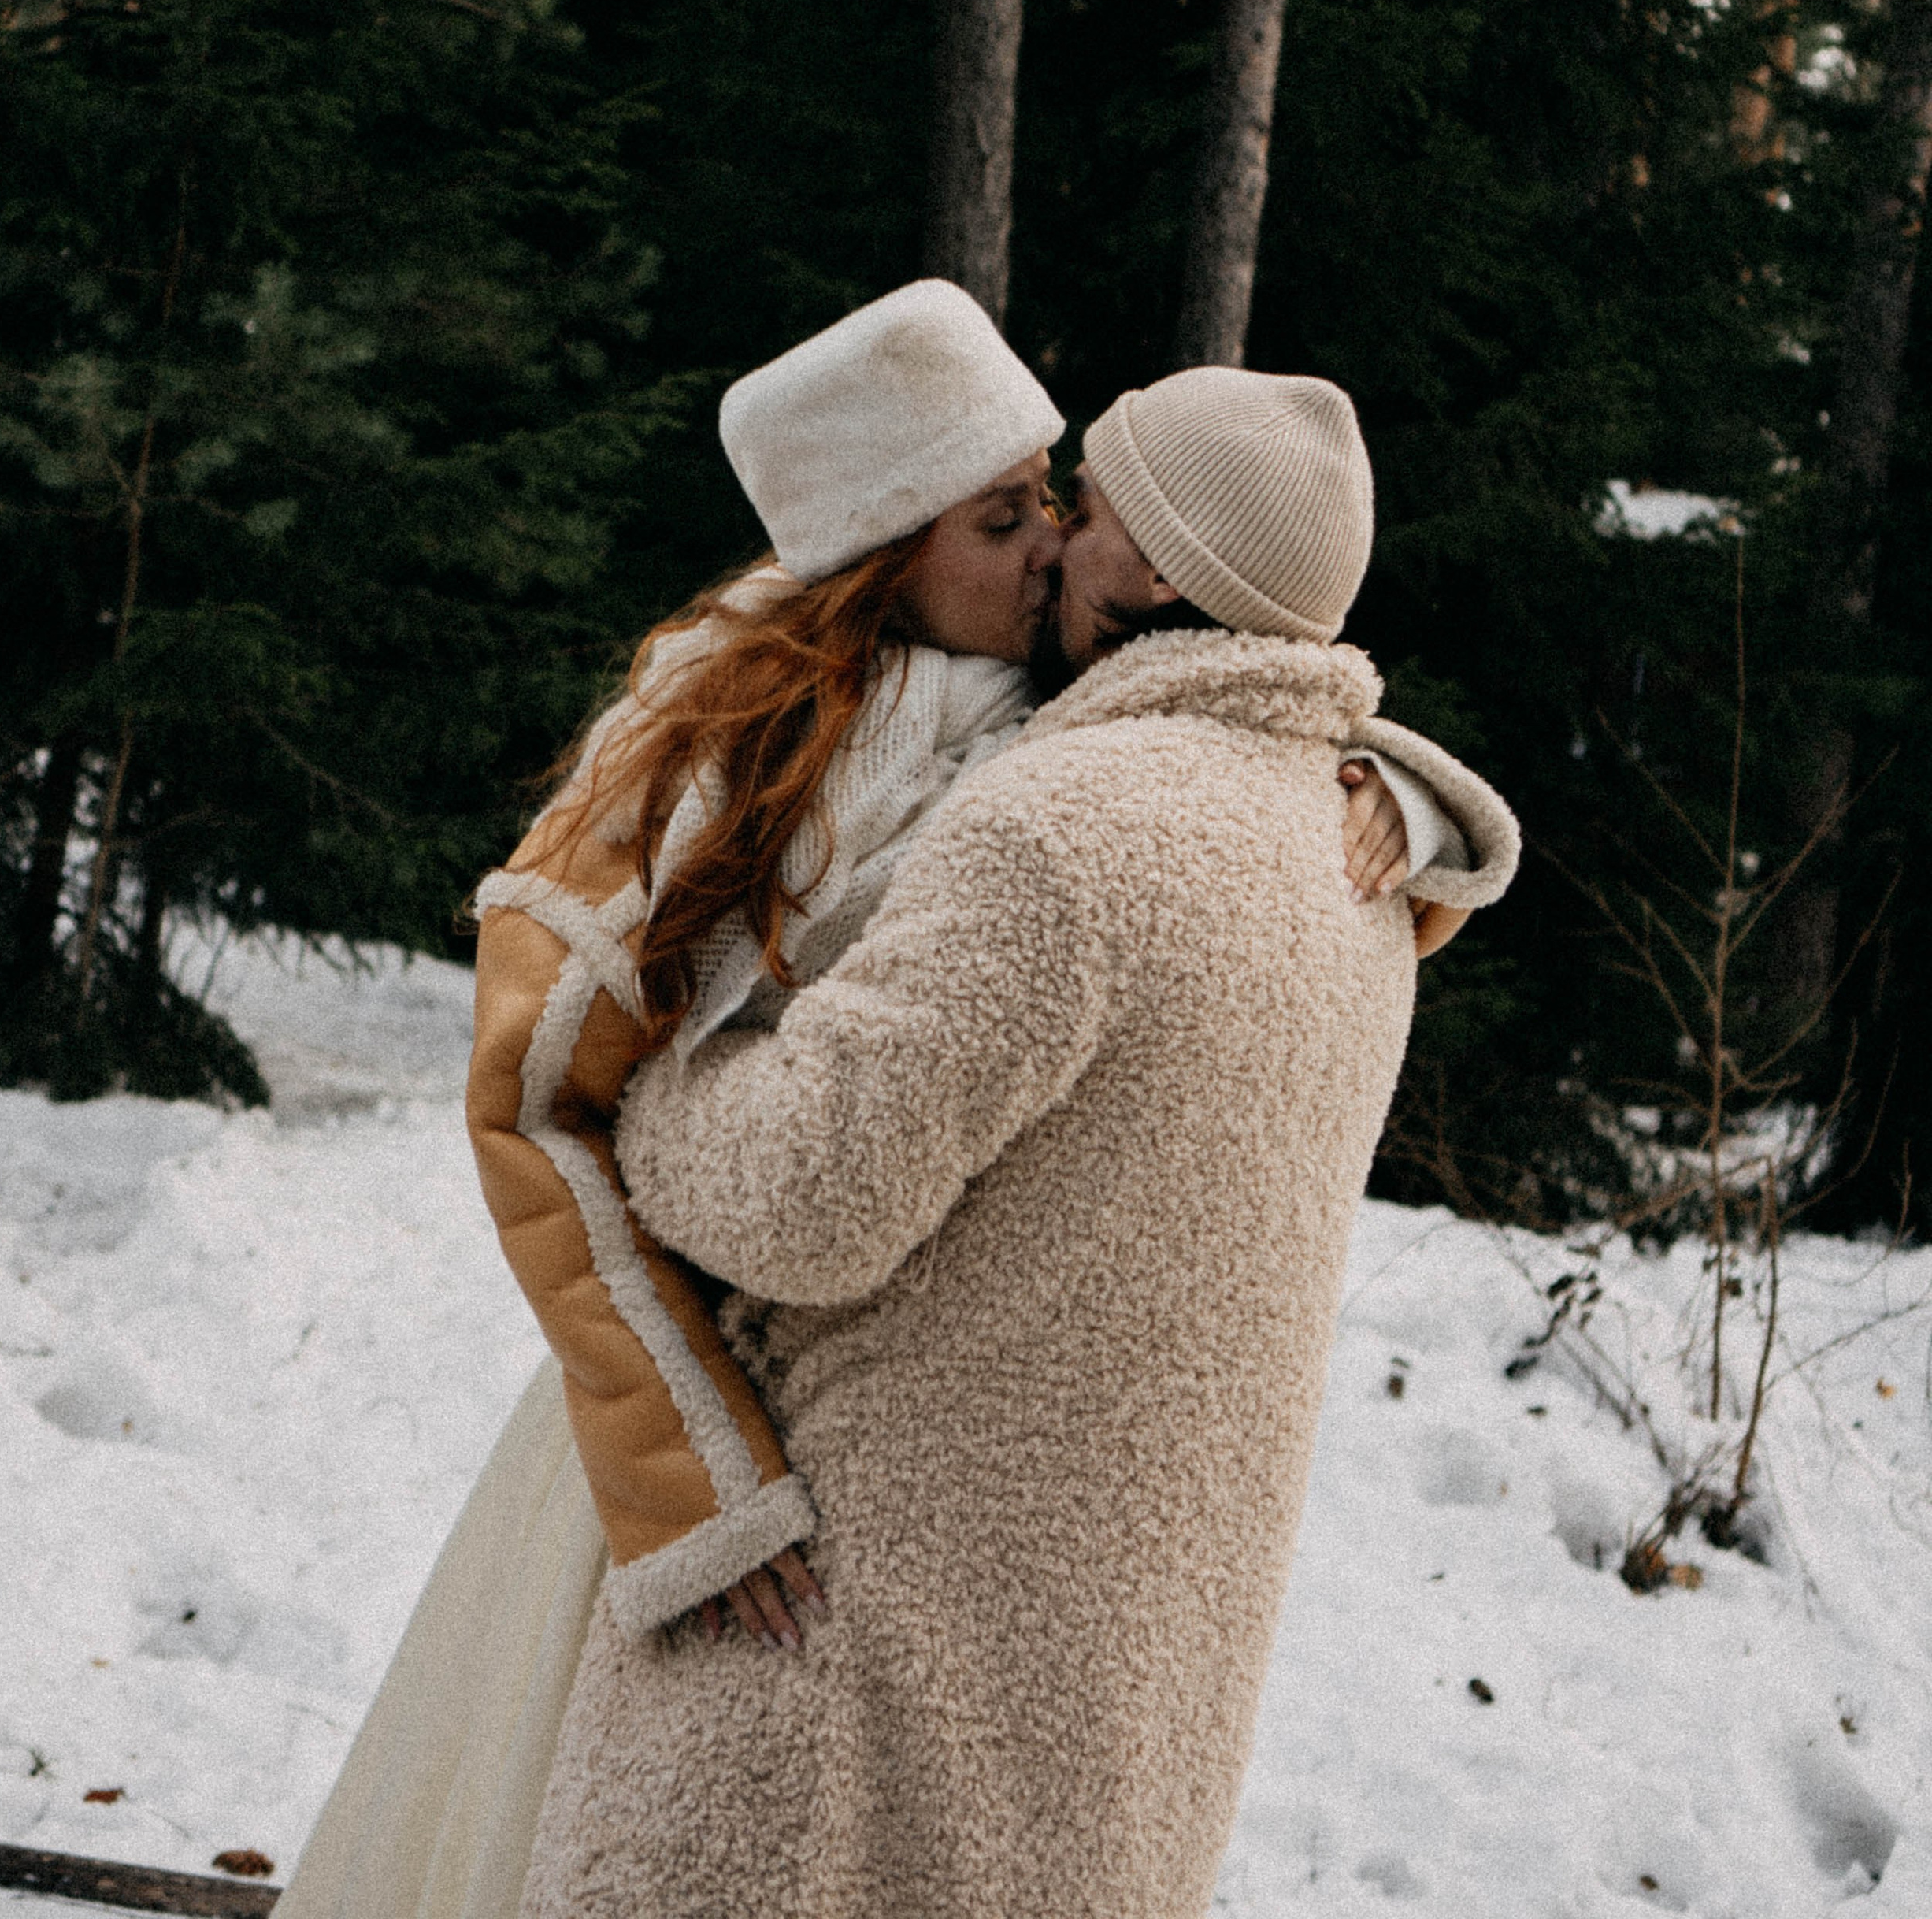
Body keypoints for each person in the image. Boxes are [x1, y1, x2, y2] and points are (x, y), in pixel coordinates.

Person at [275, 296, 1481, 1919]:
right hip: (693, 1419)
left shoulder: (1060, 743)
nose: (1050, 544)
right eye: (1006, 516)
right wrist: (686, 1480)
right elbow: (540, 1112)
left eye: (1059, 501)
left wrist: (1411, 796)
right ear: (877, 548)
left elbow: (1222, 736)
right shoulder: (717, 745)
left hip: (885, 1459)